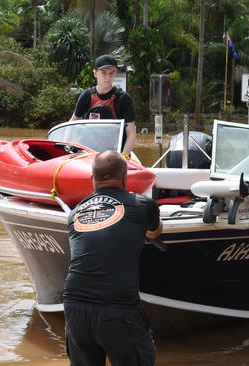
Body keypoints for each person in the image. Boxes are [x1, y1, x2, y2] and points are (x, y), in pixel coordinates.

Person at [63, 150, 163, 366]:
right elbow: (154, 231)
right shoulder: (142, 205)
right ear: (125, 178)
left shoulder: (75, 213)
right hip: (118, 309)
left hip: (74, 308)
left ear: (92, 180)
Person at [70, 55, 136, 155]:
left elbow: (131, 133)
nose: (108, 77)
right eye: (103, 73)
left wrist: (123, 157)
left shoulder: (124, 99)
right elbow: (72, 126)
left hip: (115, 156)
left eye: (111, 73)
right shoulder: (86, 96)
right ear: (95, 73)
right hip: (89, 155)